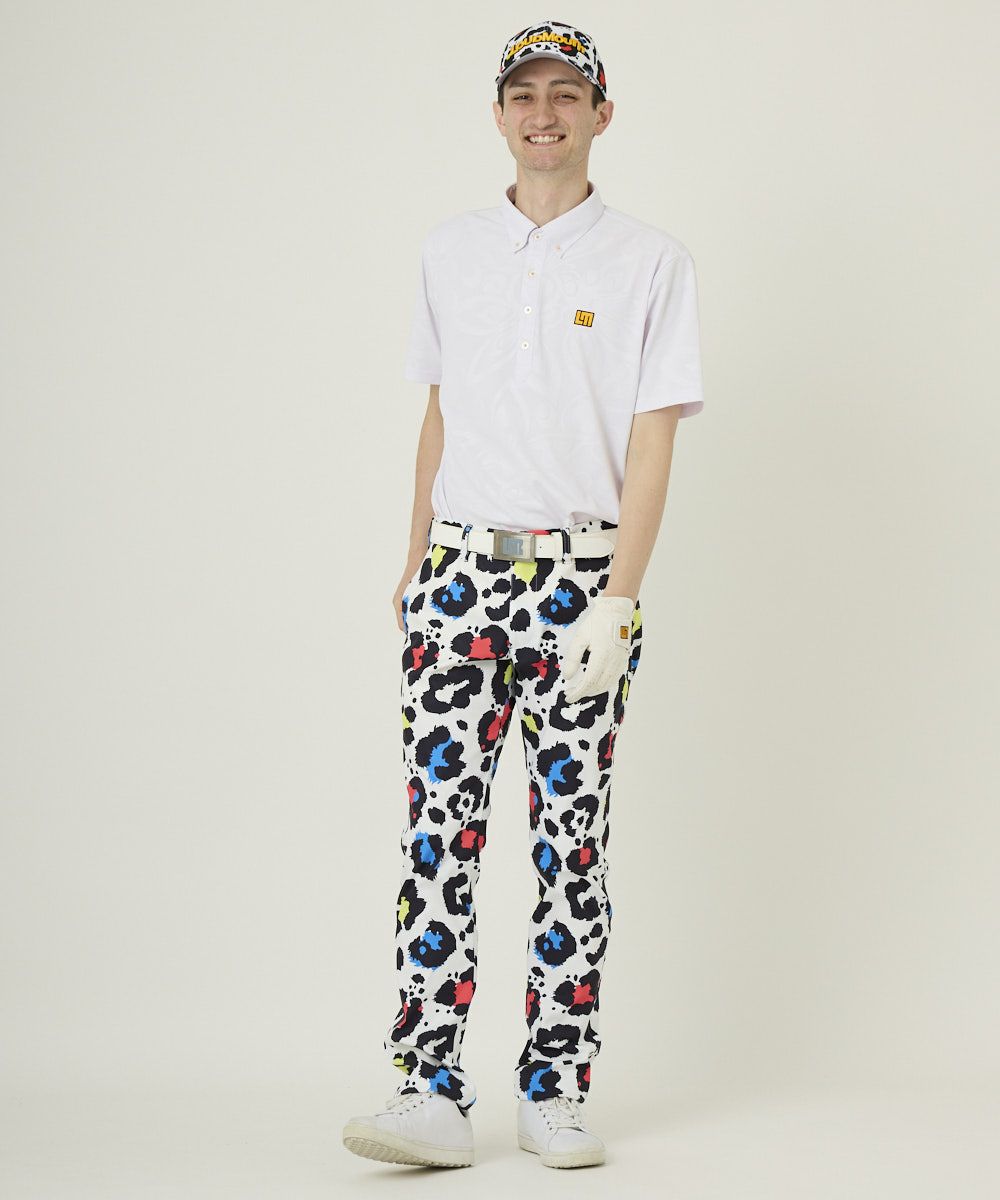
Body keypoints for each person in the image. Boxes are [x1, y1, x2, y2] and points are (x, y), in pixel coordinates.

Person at [342, 18, 704, 1170]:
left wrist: (621, 598)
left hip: (580, 583)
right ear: (499, 114)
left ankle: (555, 1090)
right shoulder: (450, 251)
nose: (543, 113)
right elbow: (439, 414)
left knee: (570, 842)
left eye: (564, 93)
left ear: (601, 112)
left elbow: (651, 442)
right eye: (524, 95)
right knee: (436, 840)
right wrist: (415, 566)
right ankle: (428, 1092)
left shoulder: (649, 262)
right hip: (459, 578)